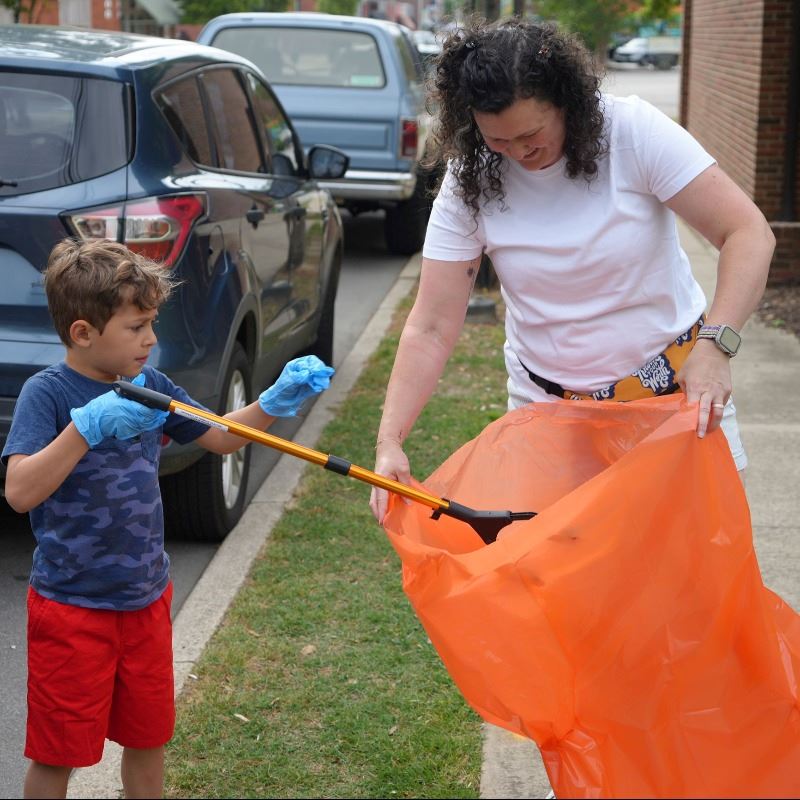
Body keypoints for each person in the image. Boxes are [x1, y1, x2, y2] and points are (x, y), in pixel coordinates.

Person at [369, 15, 776, 526]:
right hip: (549, 417)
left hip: (673, 401)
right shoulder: (471, 177)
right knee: (558, 566)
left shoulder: (631, 132)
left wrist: (717, 345)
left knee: (696, 559)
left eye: (531, 134)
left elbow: (747, 233)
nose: (519, 152)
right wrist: (390, 441)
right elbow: (431, 324)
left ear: (565, 100)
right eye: (498, 140)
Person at [1, 239, 334, 800]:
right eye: (137, 327)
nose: (151, 338)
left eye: (152, 323)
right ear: (83, 332)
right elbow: (19, 492)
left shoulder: (152, 387)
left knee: (148, 740)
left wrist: (273, 401)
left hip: (145, 602)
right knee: (60, 754)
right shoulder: (47, 394)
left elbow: (221, 436)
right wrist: (83, 430)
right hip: (72, 609)